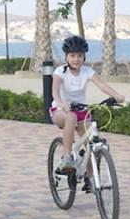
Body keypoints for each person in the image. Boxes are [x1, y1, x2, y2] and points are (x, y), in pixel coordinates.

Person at [50, 35, 125, 191]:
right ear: (66, 57)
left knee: (91, 143)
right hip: (61, 111)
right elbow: (55, 92)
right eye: (72, 55)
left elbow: (102, 85)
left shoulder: (87, 72)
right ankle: (67, 157)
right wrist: (62, 103)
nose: (76, 59)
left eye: (79, 56)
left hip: (81, 111)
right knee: (71, 117)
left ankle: (90, 178)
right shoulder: (60, 72)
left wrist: (116, 95)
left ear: (84, 56)